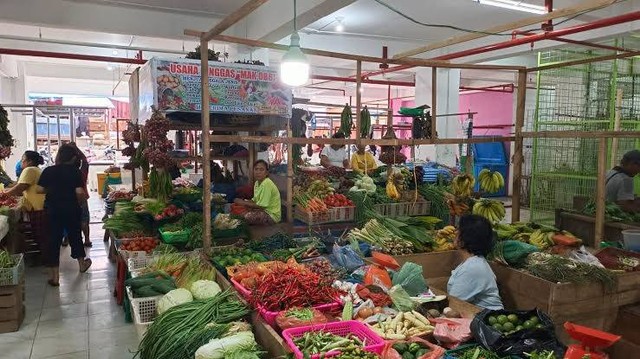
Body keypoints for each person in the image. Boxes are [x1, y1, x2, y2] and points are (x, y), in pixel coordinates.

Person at [38, 144, 92, 286]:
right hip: (71, 208)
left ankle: (55, 277)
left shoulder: (48, 171)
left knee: (53, 240)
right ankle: (81, 264)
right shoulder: (75, 172)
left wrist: (53, 189)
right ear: (73, 158)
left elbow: (39, 189)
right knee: (75, 236)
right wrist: (80, 203)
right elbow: (79, 192)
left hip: (52, 209)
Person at [447, 214, 503, 310]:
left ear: (465, 238)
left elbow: (454, 305)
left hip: (485, 320)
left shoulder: (472, 268)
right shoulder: (473, 262)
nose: (455, 232)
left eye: (459, 230)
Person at [3, 151, 47, 260]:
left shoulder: (29, 170)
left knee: (41, 236)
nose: (21, 162)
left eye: (23, 159)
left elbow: (20, 188)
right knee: (41, 235)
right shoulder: (34, 170)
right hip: (39, 207)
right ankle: (44, 257)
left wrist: (4, 194)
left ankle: (46, 259)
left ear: (29, 161)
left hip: (39, 207)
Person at [233, 160, 281, 225]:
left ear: (266, 172)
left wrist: (243, 202)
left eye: (261, 170)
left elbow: (262, 206)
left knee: (245, 216)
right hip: (262, 211)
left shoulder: (267, 184)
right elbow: (254, 201)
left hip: (271, 216)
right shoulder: (257, 183)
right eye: (256, 169)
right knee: (237, 209)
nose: (258, 172)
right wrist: (242, 202)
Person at [63, 142, 92, 247]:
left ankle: (66, 239)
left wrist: (65, 149)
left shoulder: (62, 171)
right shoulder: (81, 172)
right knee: (84, 219)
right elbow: (85, 160)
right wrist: (76, 149)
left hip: (67, 198)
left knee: (67, 218)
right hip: (82, 197)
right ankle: (87, 239)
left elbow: (59, 161)